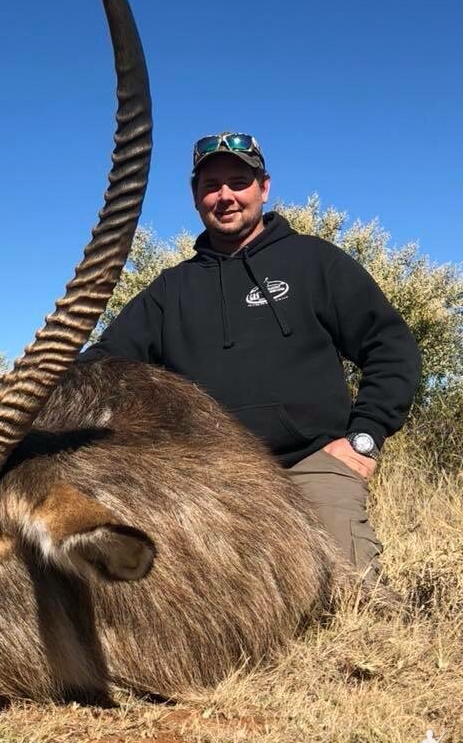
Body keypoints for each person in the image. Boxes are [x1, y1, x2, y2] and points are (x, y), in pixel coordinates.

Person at [82, 131, 422, 583]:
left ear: (263, 187)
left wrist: (365, 436)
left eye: (238, 182)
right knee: (177, 601)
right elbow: (103, 365)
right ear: (195, 197)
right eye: (210, 185)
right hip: (211, 479)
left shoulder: (314, 261)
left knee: (347, 589)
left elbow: (391, 346)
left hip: (312, 461)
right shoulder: (169, 291)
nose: (224, 196)